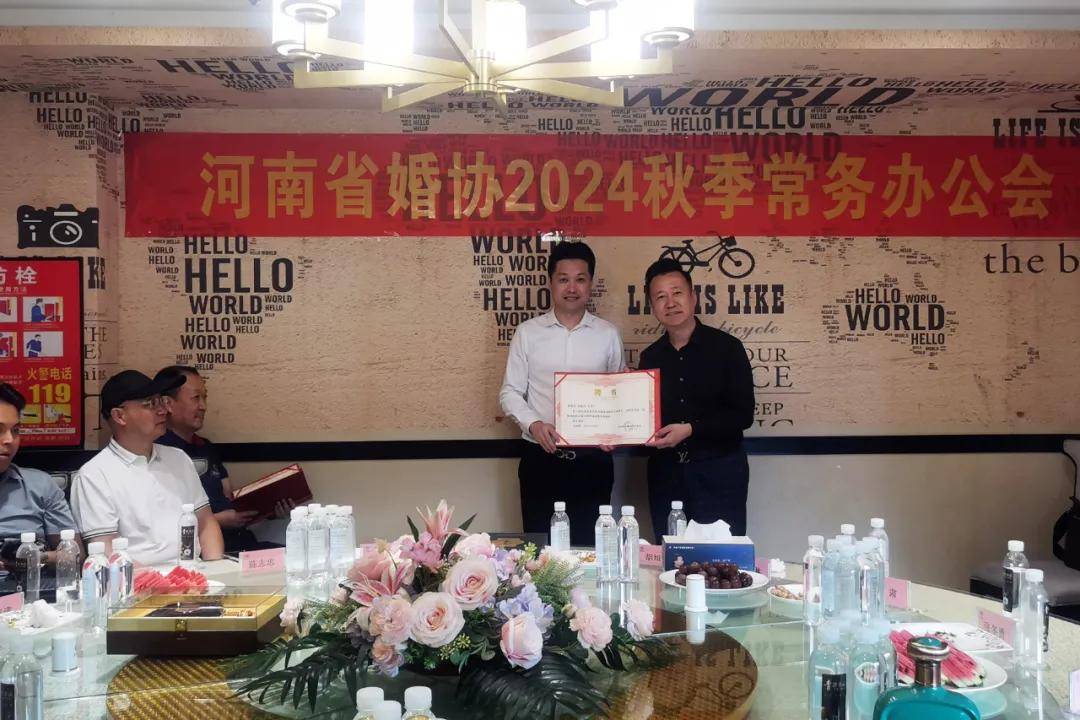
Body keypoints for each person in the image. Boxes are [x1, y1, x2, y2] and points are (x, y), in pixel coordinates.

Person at [499, 241, 624, 545]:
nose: (572, 287)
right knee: (539, 553)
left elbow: (620, 394)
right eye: (563, 279)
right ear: (551, 282)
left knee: (590, 550)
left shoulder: (607, 334)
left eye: (580, 279)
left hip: (593, 463)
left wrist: (615, 431)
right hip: (541, 460)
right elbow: (510, 392)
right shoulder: (528, 333)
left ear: (590, 284)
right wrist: (534, 424)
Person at [638, 259, 755, 541]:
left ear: (693, 297)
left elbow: (743, 414)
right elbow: (643, 417)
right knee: (671, 557)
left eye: (677, 293)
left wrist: (691, 429)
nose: (670, 303)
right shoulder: (650, 357)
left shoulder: (727, 348)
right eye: (660, 297)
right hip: (666, 476)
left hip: (719, 473)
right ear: (652, 307)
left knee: (722, 558)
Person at [71, 369, 224, 565]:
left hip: (194, 574)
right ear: (119, 416)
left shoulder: (178, 458)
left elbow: (206, 523)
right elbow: (106, 549)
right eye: (150, 404)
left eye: (161, 401)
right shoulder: (94, 475)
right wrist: (156, 581)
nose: (163, 410)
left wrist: (216, 568)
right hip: (136, 580)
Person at [154, 365, 290, 553]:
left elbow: (228, 497)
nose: (203, 406)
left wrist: (268, 509)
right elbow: (160, 522)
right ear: (167, 404)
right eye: (196, 398)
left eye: (205, 398)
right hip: (205, 551)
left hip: (240, 541)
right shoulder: (157, 452)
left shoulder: (206, 447)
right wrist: (218, 521)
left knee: (297, 556)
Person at [0, 383, 82, 573]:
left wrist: (34, 557)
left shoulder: (40, 486)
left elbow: (75, 555)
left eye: (15, 430)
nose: (9, 440)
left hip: (32, 586)